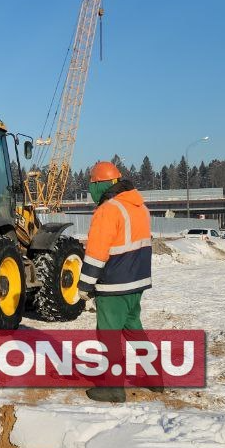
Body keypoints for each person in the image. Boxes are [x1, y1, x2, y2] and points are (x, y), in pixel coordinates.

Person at [78, 161, 153, 403]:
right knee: (134, 330)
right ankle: (155, 378)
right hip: (136, 283)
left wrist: (84, 286)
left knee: (108, 335)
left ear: (101, 184)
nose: (91, 189)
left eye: (92, 184)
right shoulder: (139, 206)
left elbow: (97, 253)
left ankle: (113, 387)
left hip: (114, 286)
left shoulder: (108, 210)